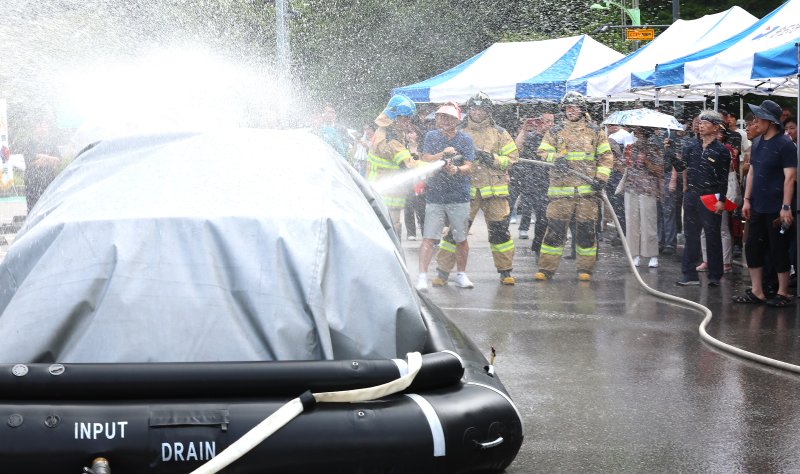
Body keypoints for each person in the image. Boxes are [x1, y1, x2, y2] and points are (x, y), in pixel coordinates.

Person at [432, 93, 519, 286]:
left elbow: (512, 158)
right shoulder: (459, 132)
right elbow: (446, 155)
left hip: (495, 192)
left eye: (481, 109)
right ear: (468, 111)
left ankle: (506, 272)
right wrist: (459, 158)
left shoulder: (499, 132)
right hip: (466, 191)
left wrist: (493, 159)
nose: (477, 112)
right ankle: (442, 273)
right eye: (474, 109)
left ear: (488, 111)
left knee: (500, 233)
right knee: (455, 232)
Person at [534, 92, 612, 282]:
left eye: (575, 107)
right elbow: (542, 151)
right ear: (564, 110)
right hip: (561, 193)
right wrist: (556, 159)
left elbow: (606, 157)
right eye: (568, 107)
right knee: (554, 233)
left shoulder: (595, 132)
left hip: (587, 193)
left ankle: (585, 269)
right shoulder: (554, 132)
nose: (571, 111)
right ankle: (546, 269)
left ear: (582, 109)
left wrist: (600, 179)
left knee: (586, 233)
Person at [734, 100, 797, 307]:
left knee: (778, 249)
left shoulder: (785, 144)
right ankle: (757, 291)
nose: (755, 121)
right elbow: (751, 172)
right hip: (757, 205)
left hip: (777, 208)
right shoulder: (758, 143)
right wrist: (746, 199)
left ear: (770, 121)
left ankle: (782, 292)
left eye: (759, 118)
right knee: (753, 248)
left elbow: (789, 177)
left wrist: (786, 206)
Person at [416, 102, 475, 291]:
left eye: (448, 117)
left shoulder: (465, 140)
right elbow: (425, 159)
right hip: (435, 195)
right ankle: (422, 277)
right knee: (429, 237)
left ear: (457, 121)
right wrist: (443, 154)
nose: (443, 121)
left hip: (459, 196)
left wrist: (456, 170)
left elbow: (469, 167)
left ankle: (461, 275)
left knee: (461, 238)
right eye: (441, 117)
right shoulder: (431, 136)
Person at [672, 110, 731, 287]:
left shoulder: (721, 151)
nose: (701, 125)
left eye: (705, 123)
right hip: (692, 194)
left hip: (711, 195)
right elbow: (683, 167)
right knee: (691, 235)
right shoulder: (691, 146)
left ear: (715, 127)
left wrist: (721, 199)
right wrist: (670, 155)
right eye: (700, 122)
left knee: (712, 235)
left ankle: (715, 275)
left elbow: (723, 178)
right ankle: (689, 274)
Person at [367, 95, 420, 237]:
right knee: (391, 235)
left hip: (380, 191)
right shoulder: (391, 139)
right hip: (387, 196)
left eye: (409, 118)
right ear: (393, 117)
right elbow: (411, 167)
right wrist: (441, 162)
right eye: (404, 118)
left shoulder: (384, 131)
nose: (408, 122)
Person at [623, 126, 663, 269]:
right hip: (631, 187)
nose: (638, 135)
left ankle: (652, 255)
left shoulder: (654, 148)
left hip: (648, 189)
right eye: (636, 133)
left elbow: (659, 170)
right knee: (632, 223)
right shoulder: (630, 148)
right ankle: (634, 254)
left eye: (640, 132)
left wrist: (646, 160)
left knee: (649, 222)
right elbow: (625, 166)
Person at [513, 112, 554, 250]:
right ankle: (535, 243)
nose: (549, 124)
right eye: (546, 121)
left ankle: (543, 244)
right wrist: (525, 129)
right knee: (534, 210)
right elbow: (515, 148)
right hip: (532, 180)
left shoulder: (554, 137)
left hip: (551, 180)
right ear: (539, 122)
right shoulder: (530, 137)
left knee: (547, 216)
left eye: (551, 121)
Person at [21, 119, 62, 214]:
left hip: (49, 180)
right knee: (32, 208)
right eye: (40, 126)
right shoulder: (29, 143)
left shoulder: (51, 143)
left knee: (49, 206)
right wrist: (49, 159)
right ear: (36, 128)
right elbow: (30, 160)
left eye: (45, 126)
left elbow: (58, 160)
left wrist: (43, 158)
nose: (43, 129)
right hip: (32, 181)